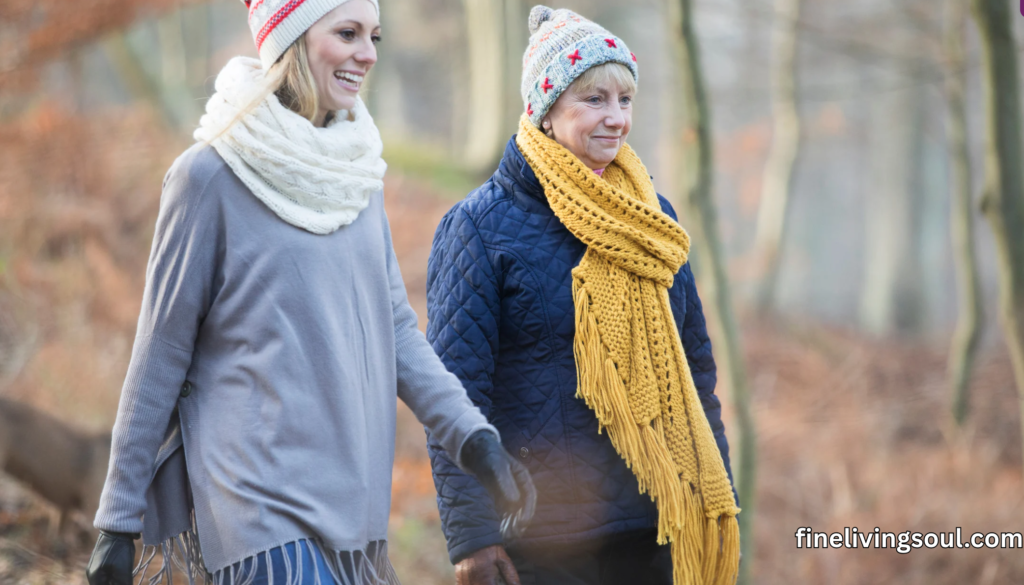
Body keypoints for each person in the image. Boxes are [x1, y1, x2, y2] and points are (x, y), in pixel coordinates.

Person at [84, 1, 535, 584]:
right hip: (256, 505)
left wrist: (473, 438)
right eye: (346, 33)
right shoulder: (208, 177)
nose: (367, 53)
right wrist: (117, 521)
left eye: (373, 35)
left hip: (352, 502)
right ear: (290, 40)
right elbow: (160, 352)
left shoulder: (355, 179)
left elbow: (396, 328)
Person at [425, 6, 740, 585]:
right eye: (594, 99)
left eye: (625, 99)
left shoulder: (653, 218)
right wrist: (472, 533)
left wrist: (715, 491)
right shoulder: (478, 227)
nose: (616, 118)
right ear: (545, 111)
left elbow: (695, 373)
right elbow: (452, 395)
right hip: (544, 539)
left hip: (658, 524)